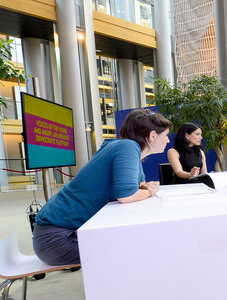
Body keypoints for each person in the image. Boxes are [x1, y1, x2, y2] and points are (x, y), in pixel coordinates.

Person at [32, 109, 172, 265]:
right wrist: (150, 191)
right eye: (165, 135)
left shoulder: (125, 149)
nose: (167, 140)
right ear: (153, 136)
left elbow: (131, 187)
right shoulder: (128, 147)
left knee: (132, 244)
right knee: (131, 250)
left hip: (60, 233)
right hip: (57, 239)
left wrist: (144, 187)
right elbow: (126, 196)